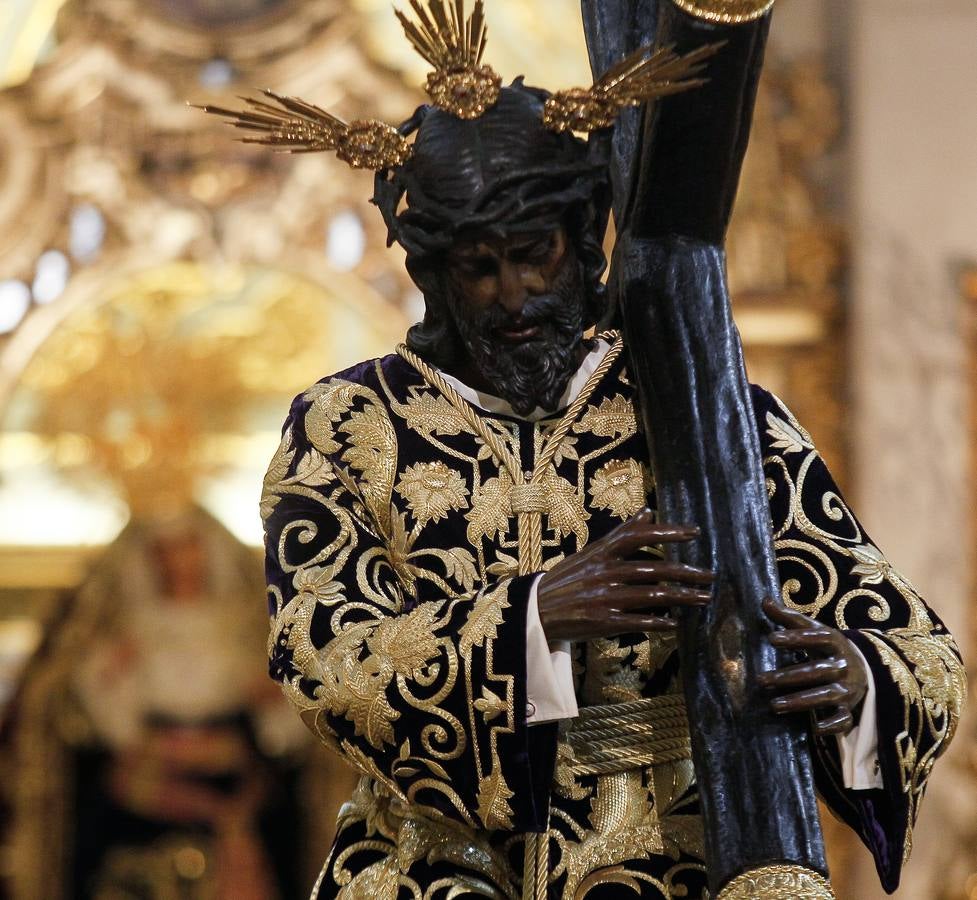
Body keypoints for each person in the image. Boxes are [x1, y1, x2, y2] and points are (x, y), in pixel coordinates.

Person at [245, 2, 965, 897]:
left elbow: (918, 646)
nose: (513, 295)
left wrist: (853, 673)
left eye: (532, 254)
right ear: (431, 272)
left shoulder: (707, 409)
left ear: (582, 242)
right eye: (478, 266)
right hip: (439, 867)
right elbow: (322, 659)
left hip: (677, 862)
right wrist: (534, 618)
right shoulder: (347, 426)